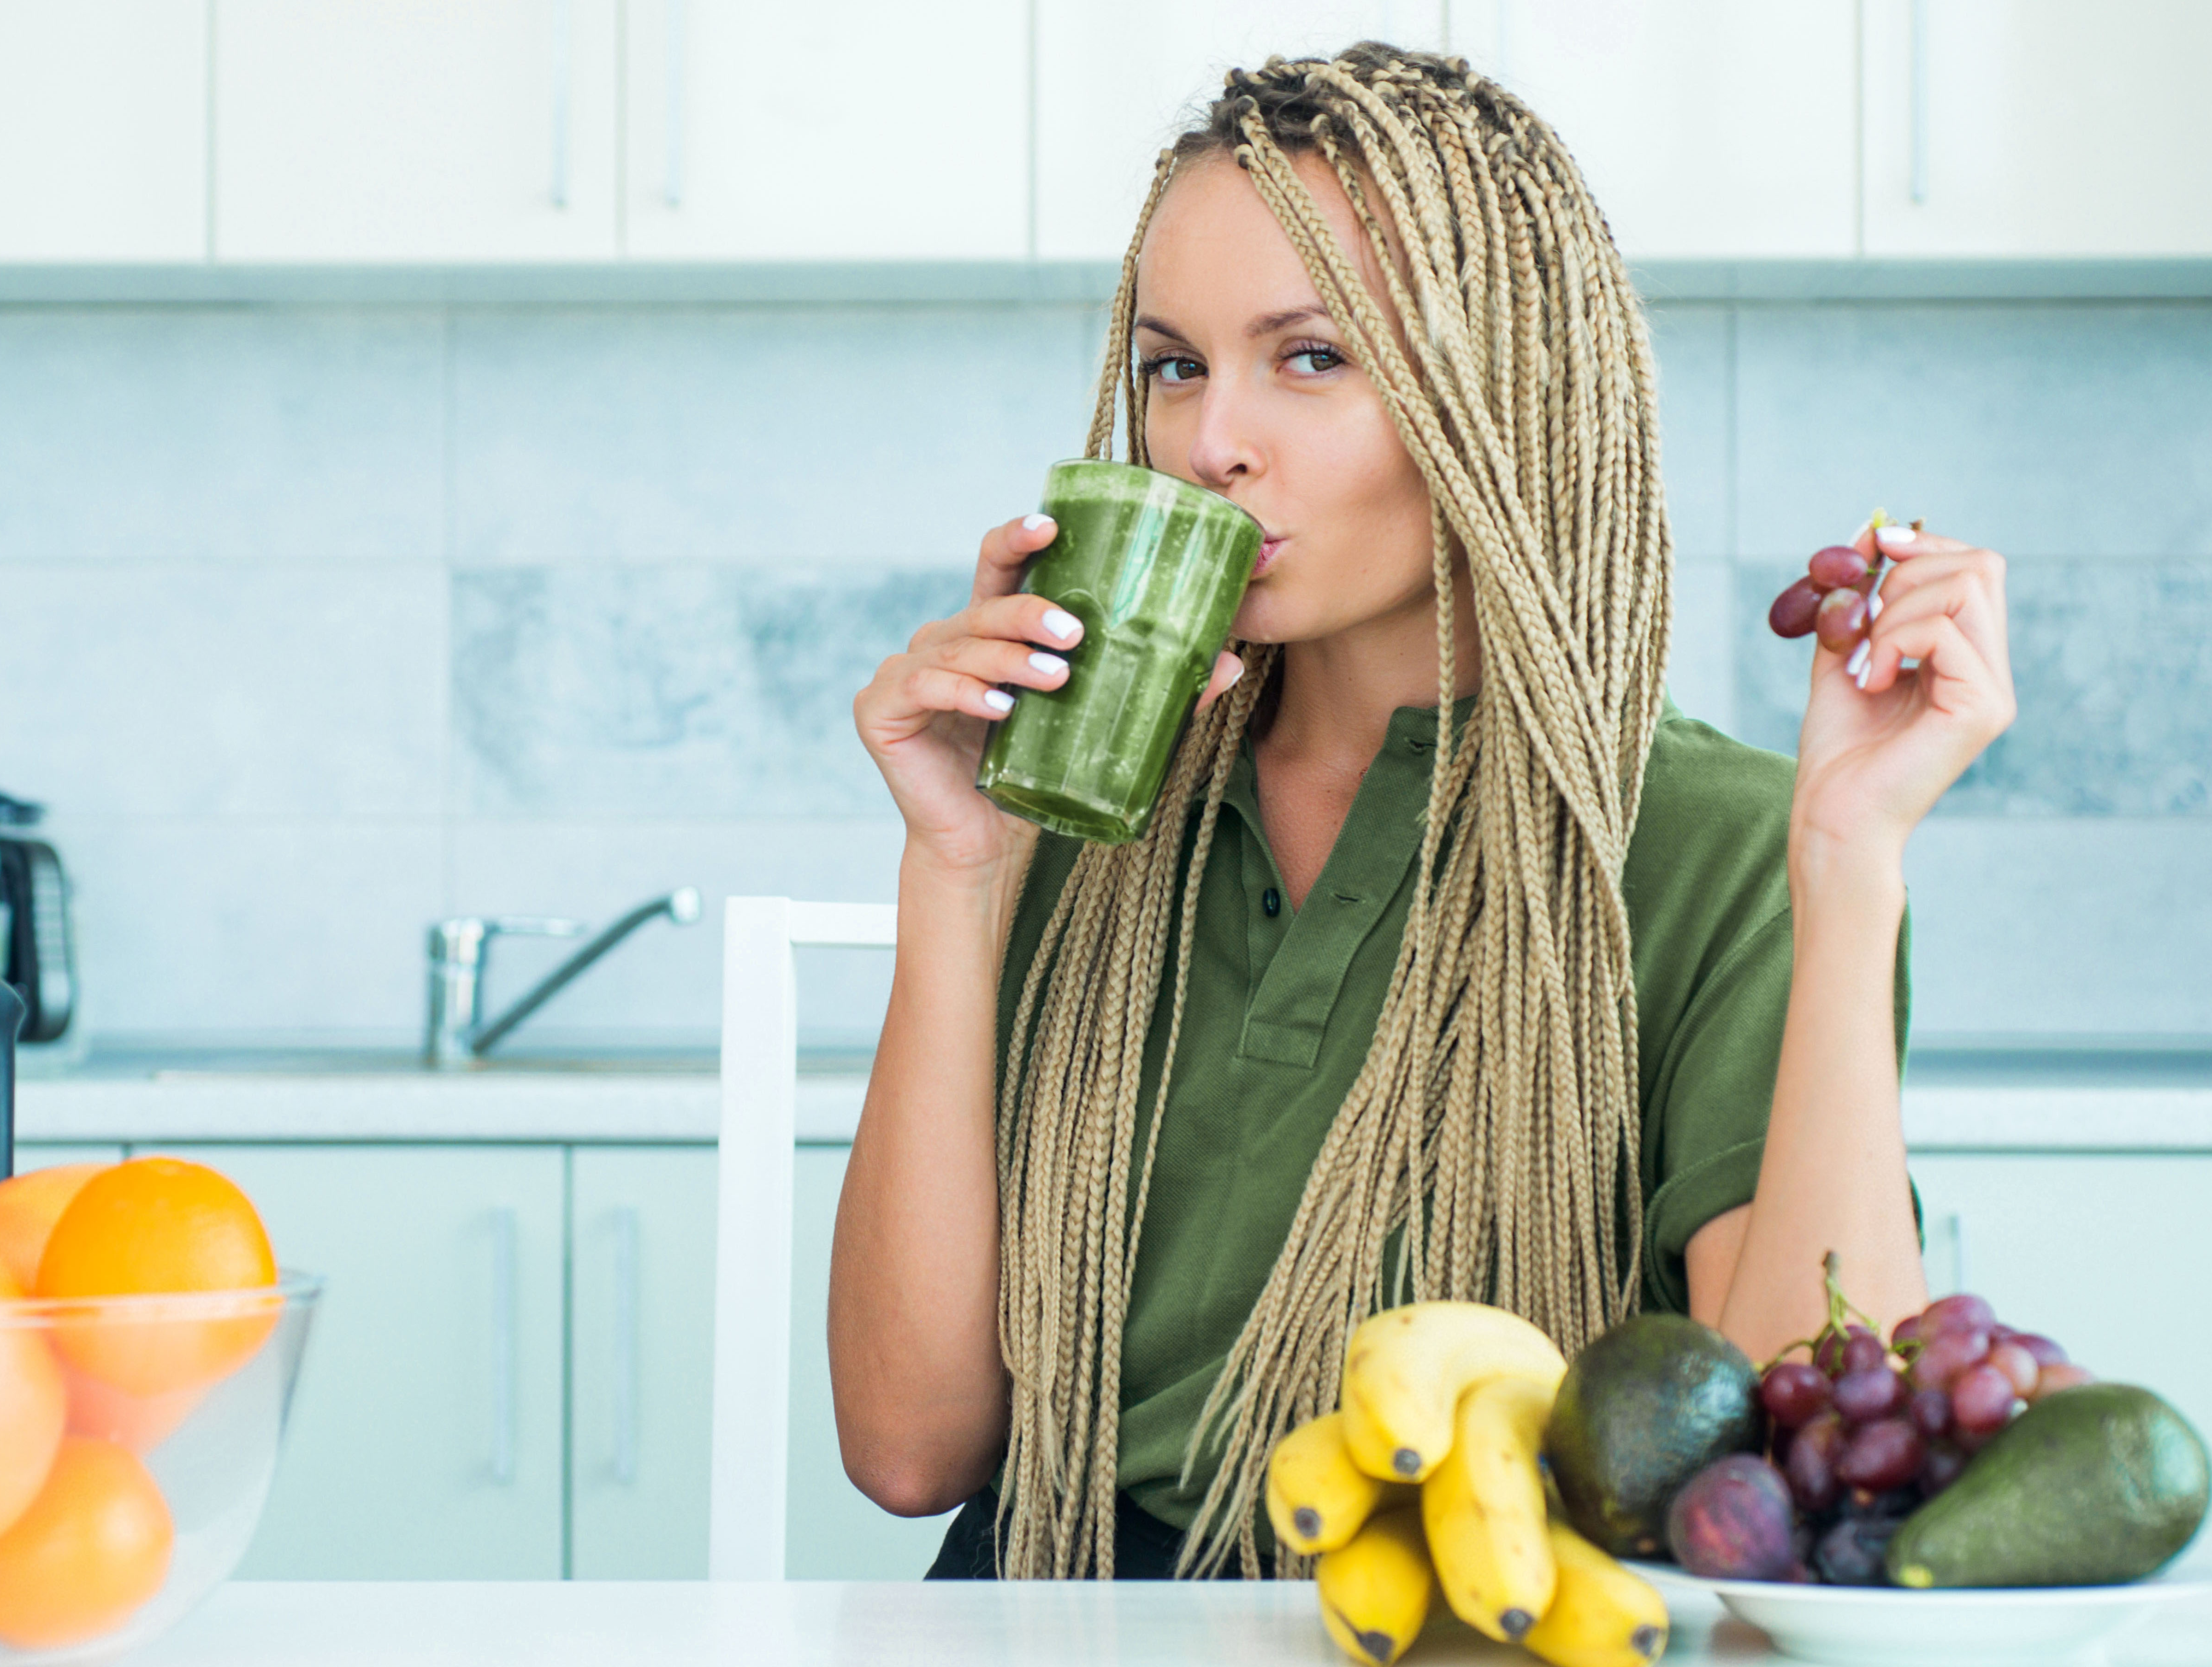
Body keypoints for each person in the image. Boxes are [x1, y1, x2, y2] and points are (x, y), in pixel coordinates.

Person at [838, 44, 2016, 1581]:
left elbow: (1803, 1466)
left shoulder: (1718, 847)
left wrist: (1848, 865)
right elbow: (910, 1449)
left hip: (1474, 1639)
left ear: (1501, 391)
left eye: (1310, 357)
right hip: (1049, 1636)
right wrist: (959, 869)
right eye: (1174, 362)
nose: (1209, 441)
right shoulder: (1085, 805)